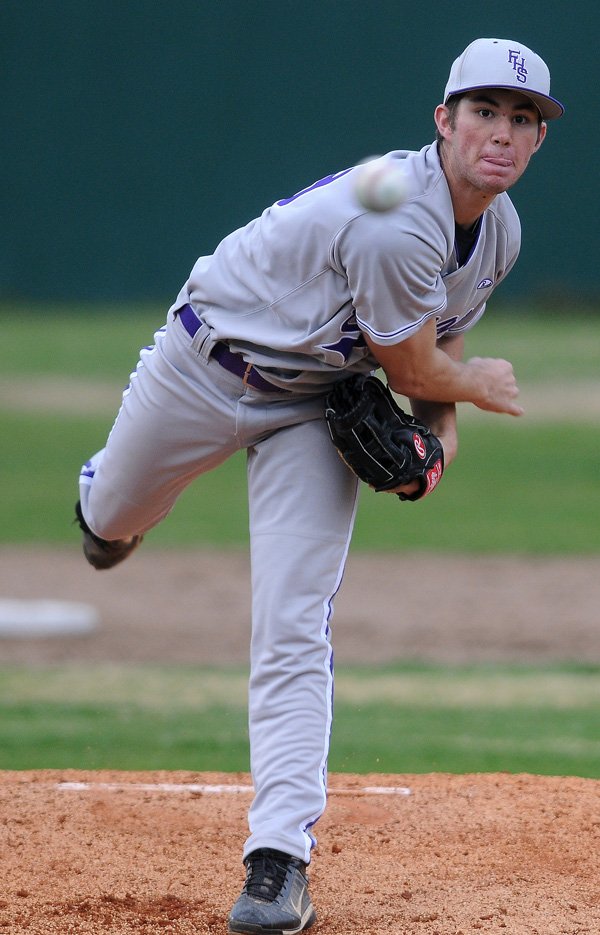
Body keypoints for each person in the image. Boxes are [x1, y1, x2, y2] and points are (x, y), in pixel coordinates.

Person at [75, 37, 563, 934]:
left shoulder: (499, 232)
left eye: (523, 119)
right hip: (200, 368)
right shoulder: (395, 217)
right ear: (443, 122)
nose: (503, 132)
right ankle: (106, 502)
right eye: (485, 112)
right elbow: (415, 360)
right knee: (112, 514)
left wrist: (437, 448)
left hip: (310, 404)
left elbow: (434, 355)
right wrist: (478, 392)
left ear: (537, 142)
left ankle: (278, 863)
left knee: (295, 620)